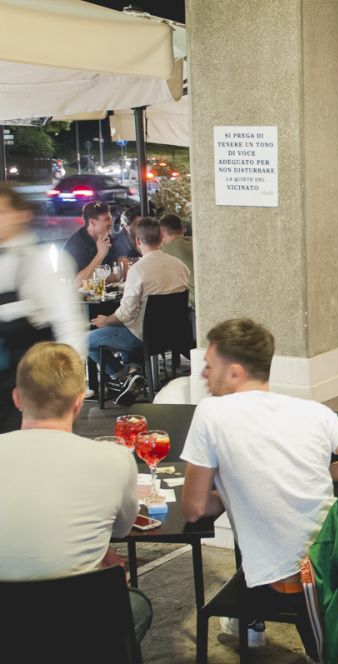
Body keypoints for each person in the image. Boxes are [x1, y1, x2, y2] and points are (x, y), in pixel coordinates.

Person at [182, 320, 338, 655]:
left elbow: (194, 509)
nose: (203, 374)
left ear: (234, 372)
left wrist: (222, 494)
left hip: (294, 580)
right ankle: (254, 624)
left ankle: (249, 622)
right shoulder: (310, 410)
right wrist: (322, 471)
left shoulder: (211, 413)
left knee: (256, 549)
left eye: (209, 366)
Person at [0, 342, 152, 641]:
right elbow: (121, 530)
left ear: (17, 397)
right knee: (137, 605)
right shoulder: (115, 459)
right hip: (79, 624)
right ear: (79, 402)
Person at [0, 183, 87, 433]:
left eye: (2, 212)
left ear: (21, 214)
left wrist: (71, 387)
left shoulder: (42, 262)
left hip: (34, 388)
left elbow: (69, 325)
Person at [88, 217, 189, 406]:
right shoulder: (179, 265)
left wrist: (106, 320)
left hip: (143, 335)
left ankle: (122, 377)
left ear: (137, 241)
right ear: (161, 237)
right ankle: (134, 372)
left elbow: (125, 314)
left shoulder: (138, 270)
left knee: (86, 340)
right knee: (128, 327)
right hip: (173, 333)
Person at [63, 201, 118, 286]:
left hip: (107, 291)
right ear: (92, 223)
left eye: (111, 218)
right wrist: (100, 255)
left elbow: (116, 274)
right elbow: (77, 282)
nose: (111, 223)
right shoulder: (74, 246)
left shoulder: (109, 239)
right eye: (107, 219)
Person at [159, 214, 194, 312]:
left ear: (161, 233)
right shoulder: (193, 242)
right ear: (182, 229)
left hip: (193, 307)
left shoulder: (164, 252)